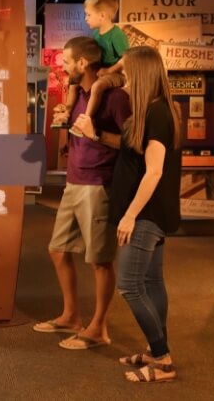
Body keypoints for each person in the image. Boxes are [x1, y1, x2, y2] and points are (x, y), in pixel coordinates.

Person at [74, 46, 182, 383]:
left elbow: (154, 172)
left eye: (130, 71)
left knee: (131, 285)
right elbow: (108, 77)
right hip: (150, 212)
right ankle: (155, 350)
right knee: (150, 281)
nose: (124, 76)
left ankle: (162, 359)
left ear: (144, 74)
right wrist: (122, 63)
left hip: (146, 213)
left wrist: (130, 215)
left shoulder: (157, 114)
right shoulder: (155, 109)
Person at [32, 36, 131, 350]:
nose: (63, 67)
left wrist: (97, 134)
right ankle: (72, 316)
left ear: (83, 63)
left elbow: (132, 143)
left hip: (99, 185)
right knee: (58, 249)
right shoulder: (79, 95)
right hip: (74, 183)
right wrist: (65, 124)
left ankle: (98, 328)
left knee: (100, 260)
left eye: (67, 61)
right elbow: (78, 134)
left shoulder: (115, 98)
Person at [53, 0, 128, 138]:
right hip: (102, 72)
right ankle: (67, 114)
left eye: (88, 15)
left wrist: (109, 70)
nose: (86, 18)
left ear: (102, 15)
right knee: (73, 84)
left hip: (115, 74)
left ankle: (86, 120)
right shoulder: (95, 35)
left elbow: (126, 58)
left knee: (97, 87)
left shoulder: (117, 35)